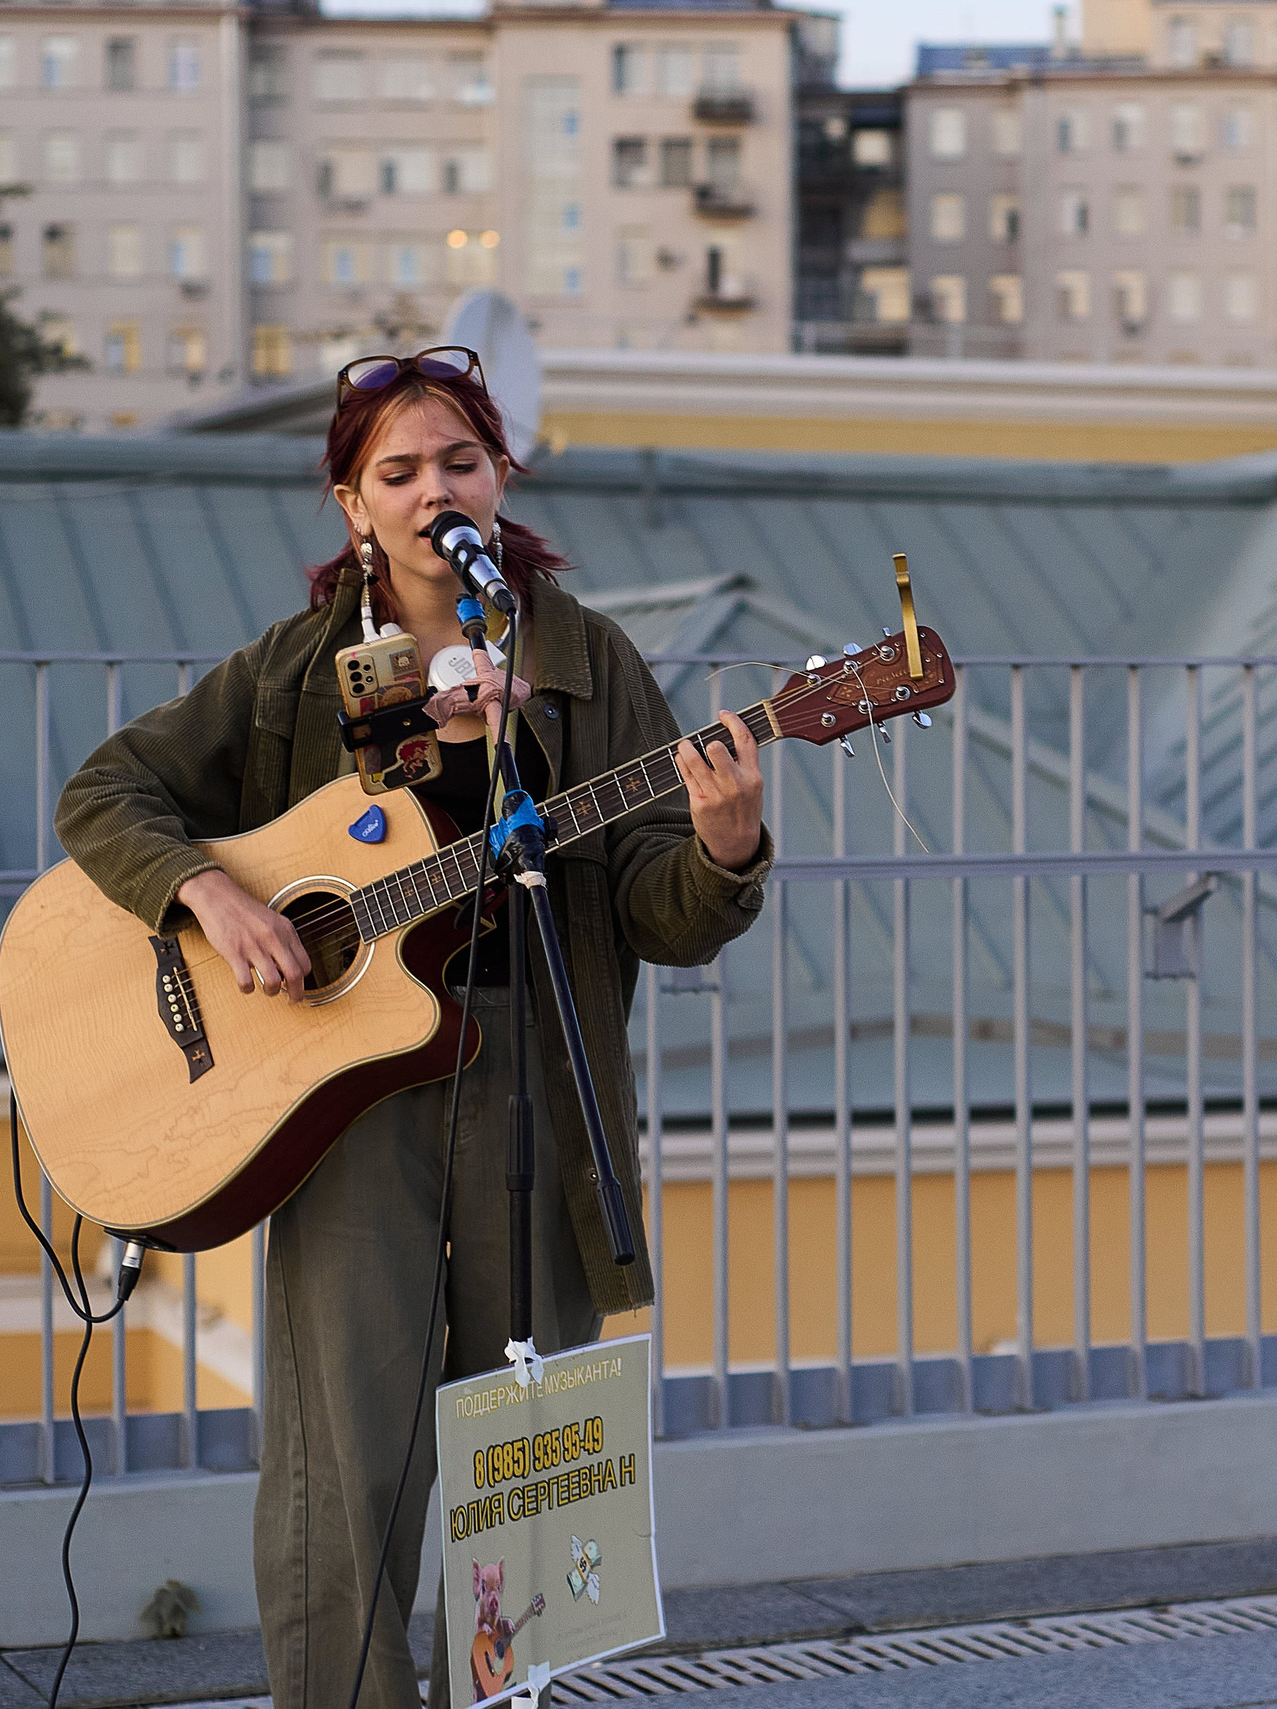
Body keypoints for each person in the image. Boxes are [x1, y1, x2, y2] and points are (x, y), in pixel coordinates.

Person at [54, 347, 769, 1708]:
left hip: (539, 1094)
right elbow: (107, 793)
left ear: (503, 478)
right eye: (401, 470)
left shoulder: (585, 660)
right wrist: (205, 892)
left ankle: (506, 1702)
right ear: (351, 504)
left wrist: (725, 849)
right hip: (347, 1104)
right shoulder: (297, 673)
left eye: (461, 461)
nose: (437, 488)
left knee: (536, 1470)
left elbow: (661, 911)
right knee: (352, 1461)